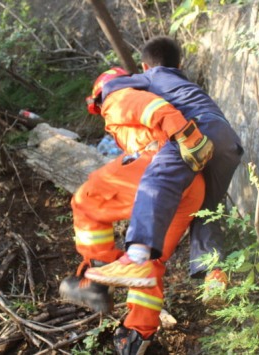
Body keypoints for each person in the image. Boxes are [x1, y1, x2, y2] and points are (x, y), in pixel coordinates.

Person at [59, 67, 212, 354]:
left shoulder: (117, 94)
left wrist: (185, 134)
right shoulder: (138, 100)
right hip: (192, 186)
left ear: (99, 97)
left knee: (86, 200)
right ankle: (137, 337)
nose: (103, 114)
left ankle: (98, 278)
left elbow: (154, 108)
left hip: (161, 167)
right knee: (150, 262)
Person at [97, 36, 244, 285]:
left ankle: (136, 256)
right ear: (179, 65)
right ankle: (215, 275)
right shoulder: (184, 83)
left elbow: (115, 89)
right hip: (228, 140)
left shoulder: (151, 77)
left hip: (195, 128)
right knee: (207, 208)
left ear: (145, 66)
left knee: (157, 179)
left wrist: (106, 95)